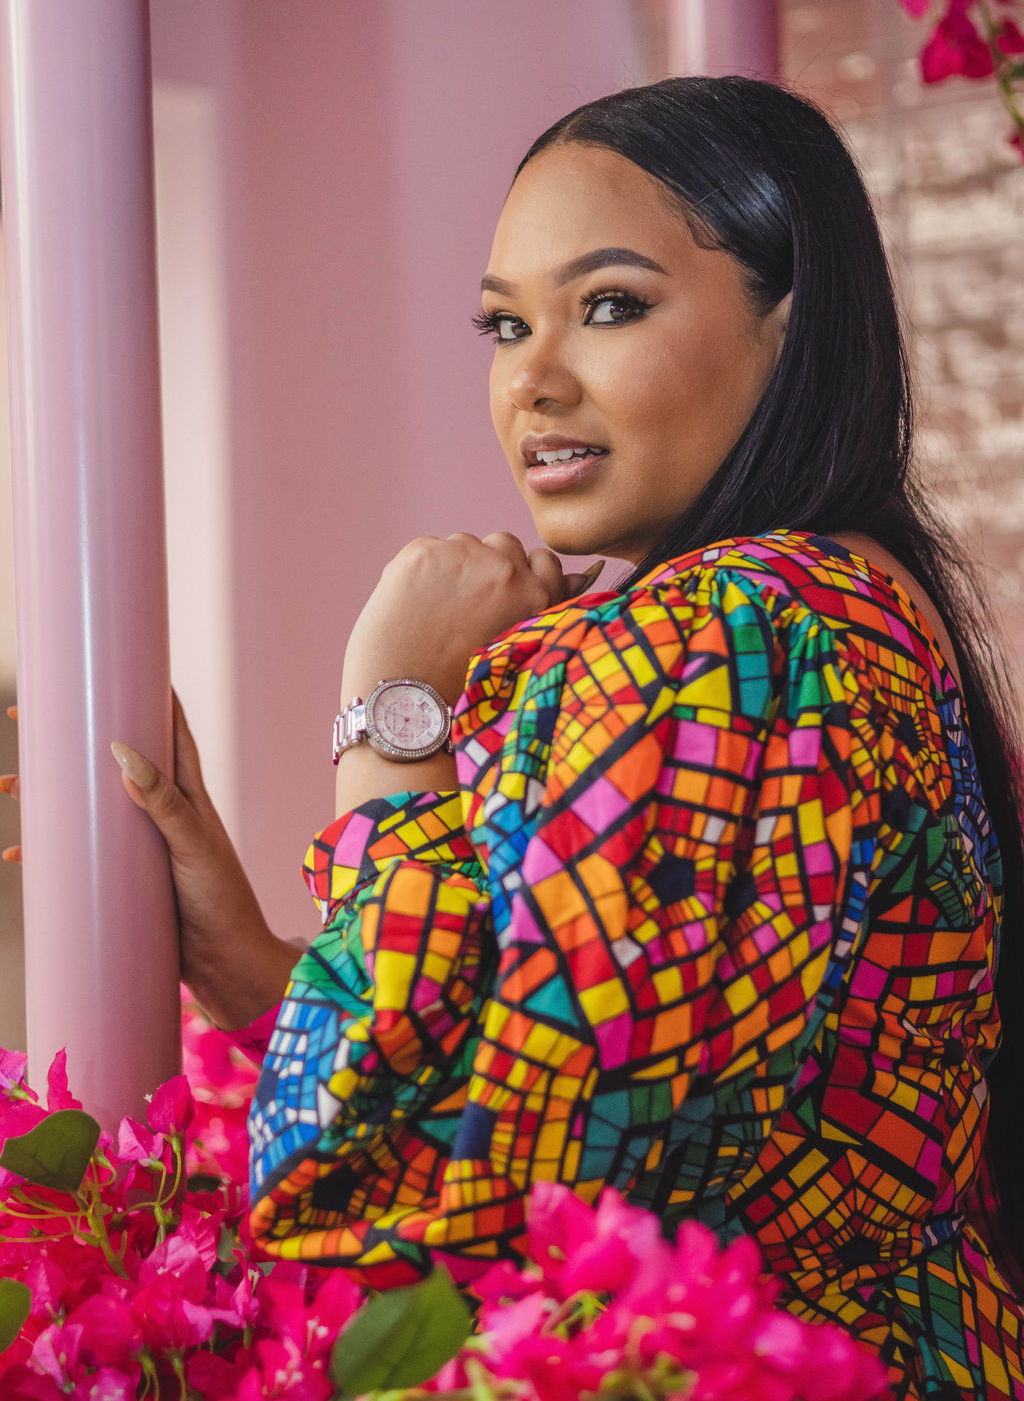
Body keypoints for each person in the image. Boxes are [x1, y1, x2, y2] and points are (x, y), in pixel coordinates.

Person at [84, 75, 1024, 1395]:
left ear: (791, 325)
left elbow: (404, 1214)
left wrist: (396, 724)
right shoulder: (845, 605)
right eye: (506, 324)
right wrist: (261, 973)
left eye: (612, 306)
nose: (532, 379)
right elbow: (647, 1091)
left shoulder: (731, 638)